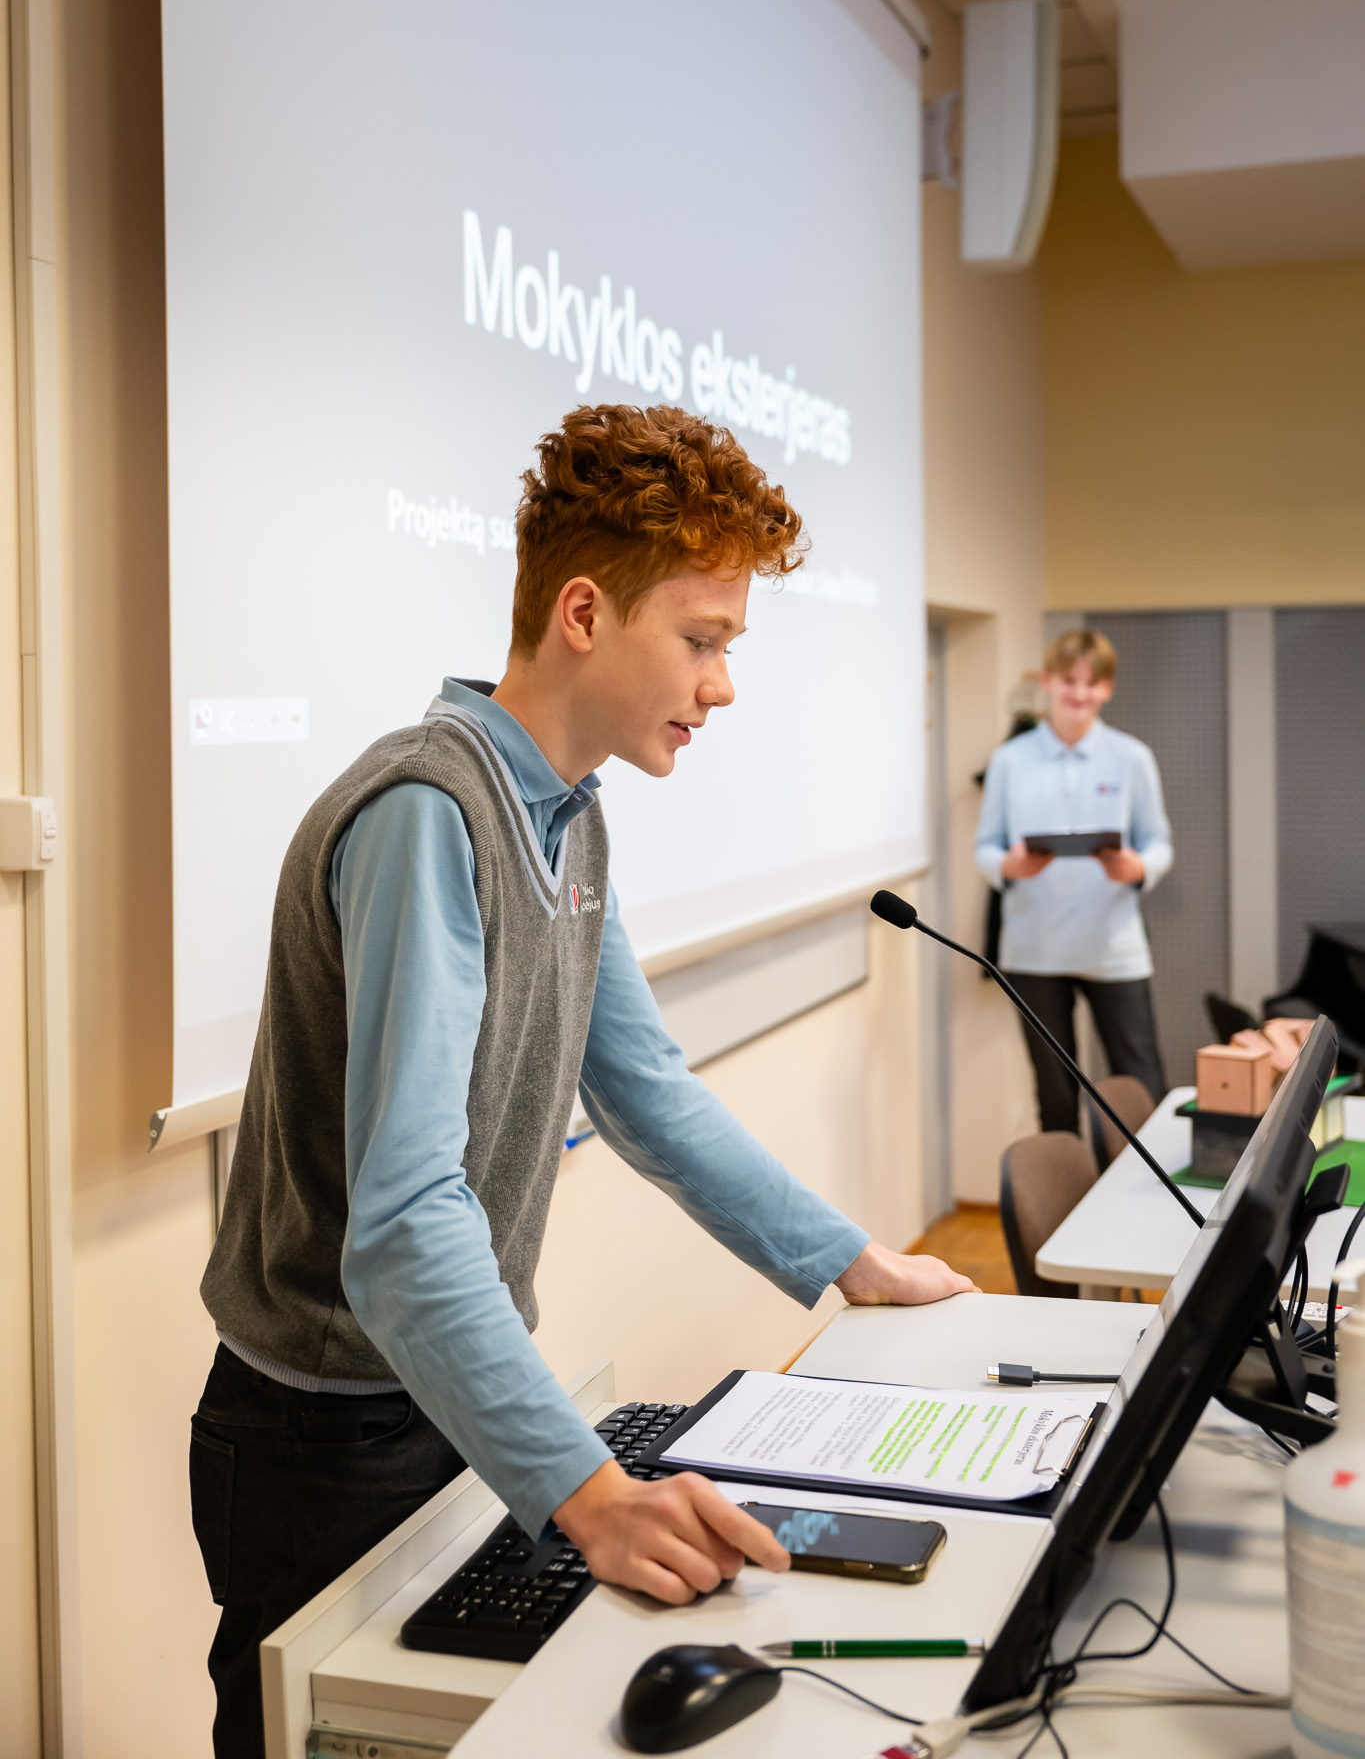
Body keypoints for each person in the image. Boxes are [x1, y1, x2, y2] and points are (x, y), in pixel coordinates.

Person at [190, 403, 975, 1758]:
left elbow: (646, 1090)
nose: (721, 685)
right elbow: (403, 1225)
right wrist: (591, 1493)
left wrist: (853, 1261)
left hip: (436, 1391)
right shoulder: (428, 812)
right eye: (703, 639)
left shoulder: (570, 813)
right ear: (583, 613)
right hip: (325, 1437)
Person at [973, 627, 1173, 1134]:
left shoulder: (1131, 758)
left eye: (1092, 682)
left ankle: (1151, 1184)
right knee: (1056, 1098)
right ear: (1047, 681)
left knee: (1142, 1087)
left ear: (1108, 687)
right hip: (1034, 951)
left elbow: (1159, 843)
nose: (1079, 693)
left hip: (1114, 947)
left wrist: (1138, 867)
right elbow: (986, 847)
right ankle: (1068, 1187)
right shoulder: (1009, 760)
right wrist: (1008, 867)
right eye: (1069, 681)